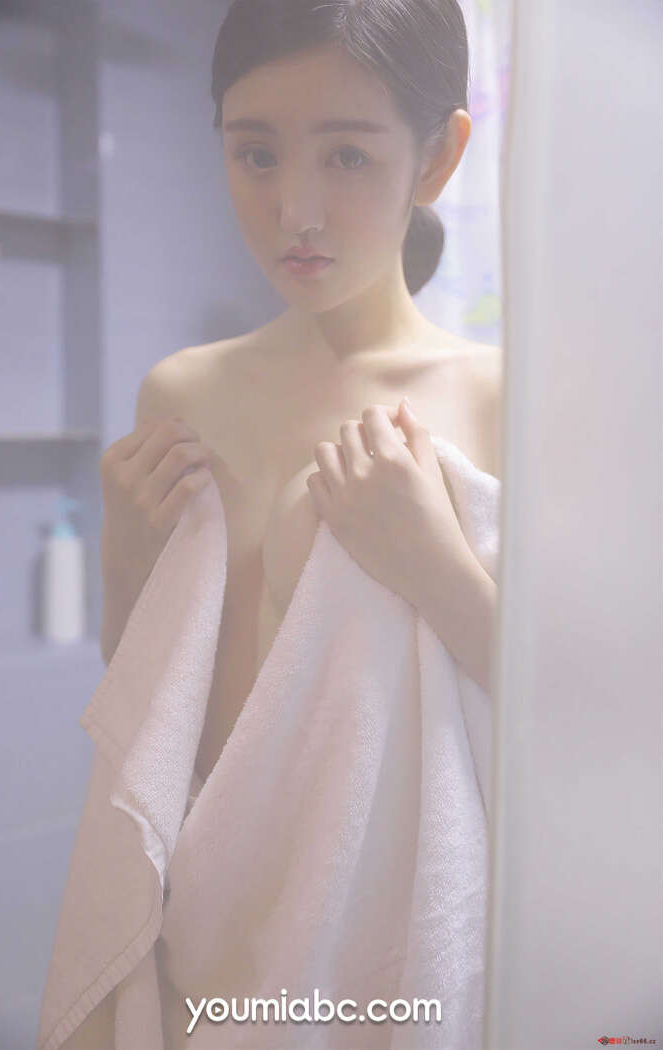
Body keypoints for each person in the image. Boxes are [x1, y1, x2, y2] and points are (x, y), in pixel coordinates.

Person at [100, 0, 502, 811]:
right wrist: (126, 558)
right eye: (256, 154)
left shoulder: (497, 399)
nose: (296, 213)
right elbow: (145, 698)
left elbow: (581, 721)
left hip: (394, 895)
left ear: (438, 158)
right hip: (205, 884)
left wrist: (435, 567)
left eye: (347, 156)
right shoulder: (181, 394)